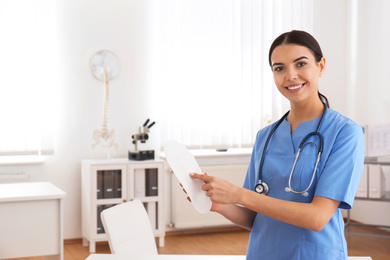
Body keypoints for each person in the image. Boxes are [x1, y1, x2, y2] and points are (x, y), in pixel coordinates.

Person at [188, 30, 364, 259]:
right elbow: (254, 217)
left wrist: (237, 194)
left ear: (321, 66)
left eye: (300, 64)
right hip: (263, 252)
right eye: (279, 68)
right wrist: (218, 203)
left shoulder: (344, 133)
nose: (290, 75)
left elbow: (317, 217)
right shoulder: (266, 136)